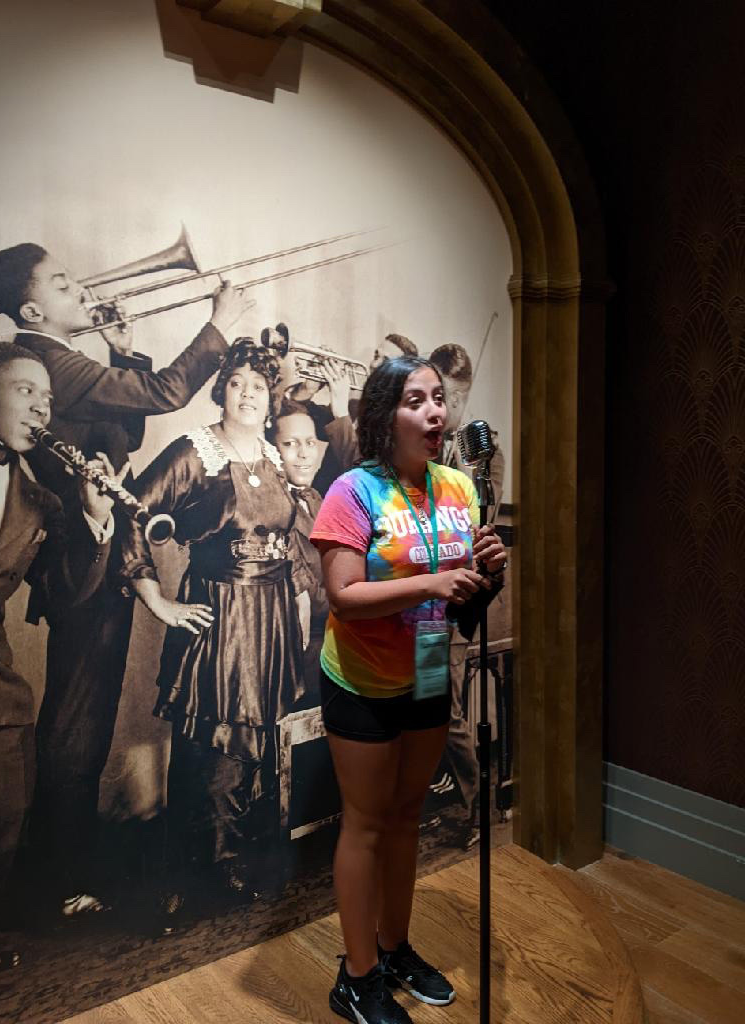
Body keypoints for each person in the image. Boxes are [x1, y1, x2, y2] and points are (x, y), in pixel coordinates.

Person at [0, 241, 252, 915]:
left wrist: (124, 350)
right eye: (65, 282)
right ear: (33, 306)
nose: (82, 289)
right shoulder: (46, 359)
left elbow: (126, 433)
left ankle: (58, 866)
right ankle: (56, 879)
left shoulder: (57, 366)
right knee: (76, 725)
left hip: (100, 552)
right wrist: (220, 321)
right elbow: (164, 395)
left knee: (87, 720)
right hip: (83, 558)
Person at [309, 356, 506, 1023]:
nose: (436, 413)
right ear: (383, 416)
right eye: (416, 400)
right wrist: (430, 583)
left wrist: (487, 577)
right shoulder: (352, 492)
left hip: (426, 660)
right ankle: (357, 976)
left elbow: (460, 610)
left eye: (439, 400)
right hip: (360, 675)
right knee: (364, 823)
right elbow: (343, 595)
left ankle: (393, 948)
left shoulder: (458, 488)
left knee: (406, 815)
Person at [120, 338, 304, 915]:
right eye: (236, 383)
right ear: (219, 390)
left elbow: (286, 542)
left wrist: (295, 600)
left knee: (249, 745)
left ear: (269, 397)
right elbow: (132, 511)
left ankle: (225, 860)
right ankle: (182, 875)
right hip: (218, 613)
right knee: (205, 742)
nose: (248, 394)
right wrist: (158, 601)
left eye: (258, 385)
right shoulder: (193, 452)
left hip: (269, 614)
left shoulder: (275, 458)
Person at [0, 343, 116, 974]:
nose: (43, 408)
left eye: (50, 399)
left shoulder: (39, 499)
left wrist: (93, 519)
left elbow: (64, 593)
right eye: (27, 391)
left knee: (8, 798)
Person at [429, 342, 506, 845]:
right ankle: (442, 794)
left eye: (454, 396)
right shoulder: (427, 441)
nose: (447, 408)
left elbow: (481, 517)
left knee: (447, 712)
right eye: (439, 394)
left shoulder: (484, 450)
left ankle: (483, 810)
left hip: (458, 596)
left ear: (468, 393)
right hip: (418, 591)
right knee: (428, 703)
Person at [285, 330, 419, 492]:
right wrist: (308, 389)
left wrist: (341, 411)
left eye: (386, 361)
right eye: (376, 356)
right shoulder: (357, 407)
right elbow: (296, 418)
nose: (374, 364)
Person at [267, 398, 328, 702]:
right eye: (290, 444)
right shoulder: (269, 503)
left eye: (310, 442)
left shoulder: (315, 497)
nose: (304, 454)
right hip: (294, 653)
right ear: (271, 450)